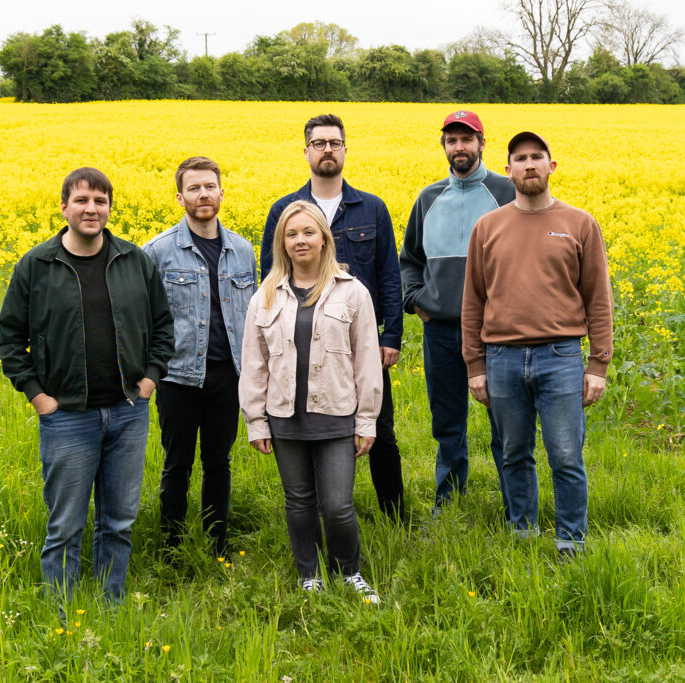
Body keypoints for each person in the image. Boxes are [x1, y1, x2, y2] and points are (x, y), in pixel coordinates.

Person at [0, 167, 174, 600]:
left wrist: (149, 381)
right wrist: (39, 397)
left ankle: (109, 607)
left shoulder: (135, 261)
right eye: (82, 200)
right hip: (67, 416)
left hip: (128, 413)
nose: (91, 209)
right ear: (64, 207)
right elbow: (8, 339)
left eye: (100, 201)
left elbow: (163, 328)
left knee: (119, 522)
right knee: (65, 525)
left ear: (110, 208)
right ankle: (62, 614)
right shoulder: (36, 265)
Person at [462, 132, 613, 557]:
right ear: (507, 169)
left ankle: (571, 541)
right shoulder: (487, 228)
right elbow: (473, 301)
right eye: (520, 158)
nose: (529, 164)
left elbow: (598, 298)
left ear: (552, 166)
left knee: (566, 455)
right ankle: (523, 535)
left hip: (561, 356)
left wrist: (598, 365)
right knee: (513, 453)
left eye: (537, 157)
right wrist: (475, 365)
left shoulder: (580, 223)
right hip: (502, 358)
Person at [261, 114, 405, 523]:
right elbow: (269, 281)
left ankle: (393, 516)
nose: (327, 149)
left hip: (359, 344)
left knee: (382, 430)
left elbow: (389, 277)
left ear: (345, 150)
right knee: (311, 430)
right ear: (305, 151)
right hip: (299, 346)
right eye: (319, 143)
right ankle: (326, 510)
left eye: (335, 143)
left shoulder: (372, 208)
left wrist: (390, 335)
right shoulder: (284, 211)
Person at [240, 200, 383, 602]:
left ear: (324, 238)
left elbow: (367, 360)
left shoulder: (352, 293)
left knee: (338, 505)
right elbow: (254, 364)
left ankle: (349, 572)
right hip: (285, 416)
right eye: (291, 234)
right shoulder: (264, 297)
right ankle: (310, 575)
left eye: (308, 232)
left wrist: (367, 420)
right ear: (281, 244)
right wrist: (256, 421)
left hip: (337, 414)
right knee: (299, 501)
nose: (300, 240)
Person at [399, 110, 516, 515]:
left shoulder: (508, 192)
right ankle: (448, 502)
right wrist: (415, 299)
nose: (459, 147)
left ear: (483, 143)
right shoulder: (429, 198)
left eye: (467, 139)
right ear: (444, 146)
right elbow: (409, 258)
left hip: (497, 333)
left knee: (506, 423)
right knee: (448, 422)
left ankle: (514, 504)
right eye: (451, 140)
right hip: (442, 332)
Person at [143, 157, 257, 558]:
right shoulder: (156, 252)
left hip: (229, 375)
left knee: (219, 461)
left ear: (221, 193)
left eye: (209, 186)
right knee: (177, 464)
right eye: (194, 188)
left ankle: (216, 545)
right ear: (180, 197)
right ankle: (172, 547)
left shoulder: (243, 251)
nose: (203, 194)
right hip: (177, 376)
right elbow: (145, 319)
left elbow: (252, 317)